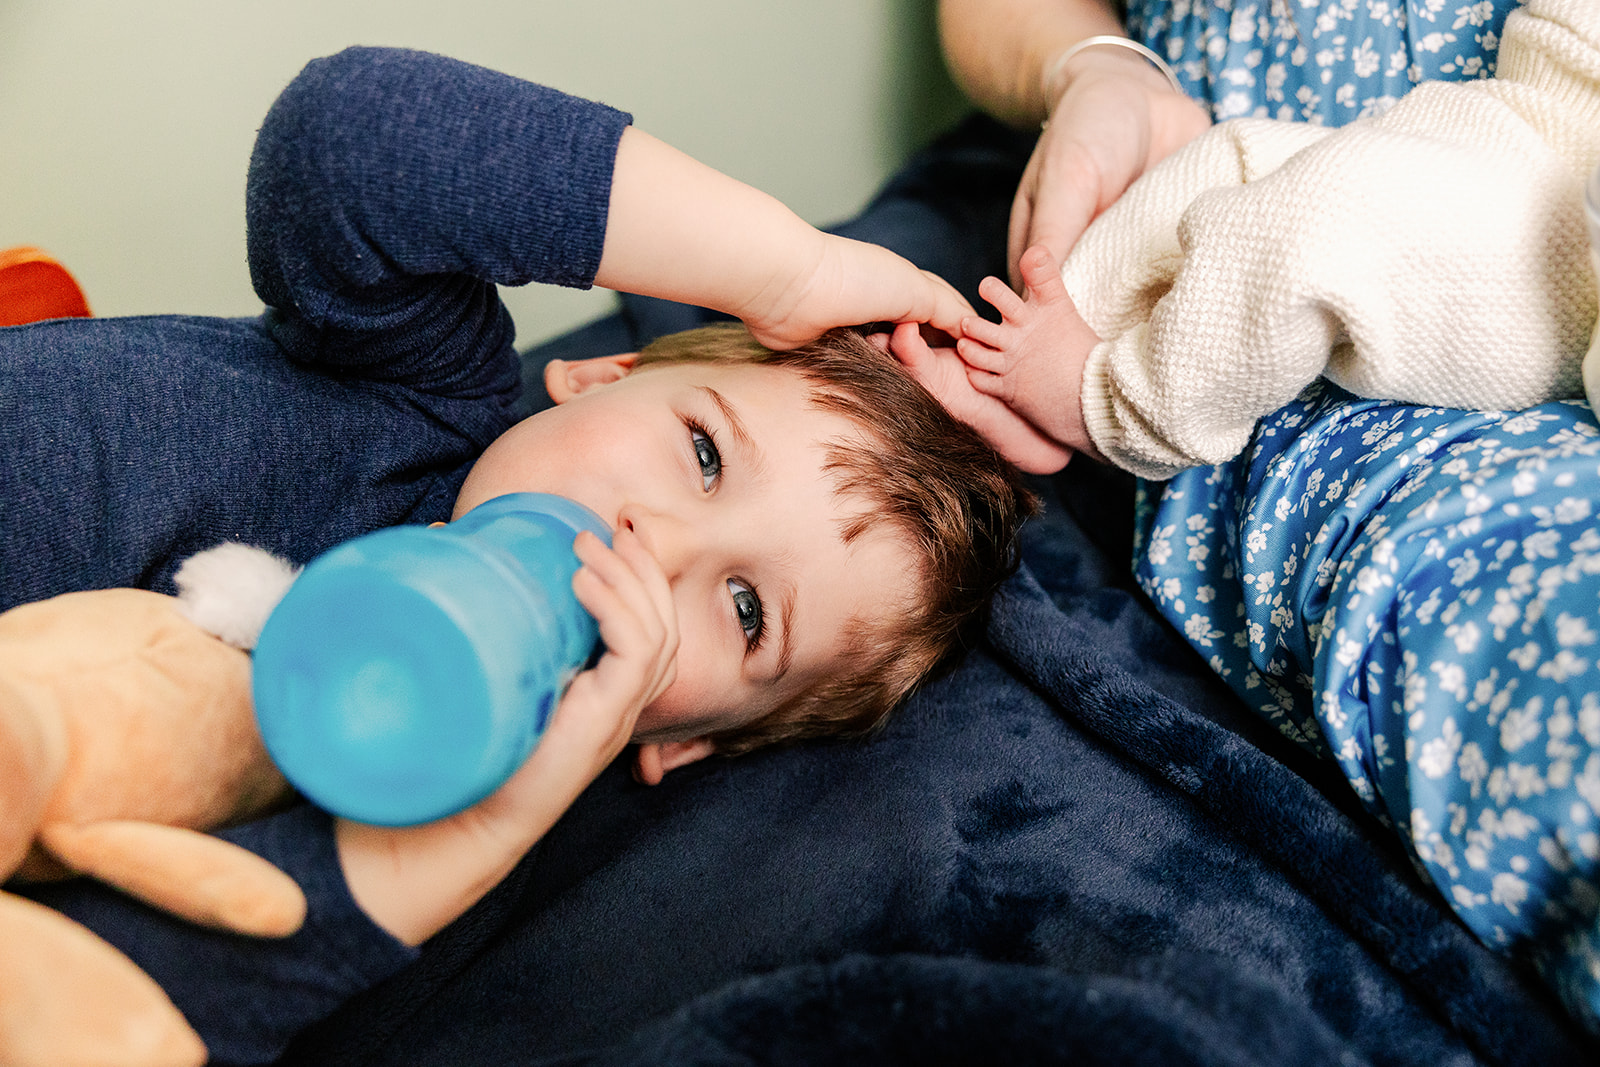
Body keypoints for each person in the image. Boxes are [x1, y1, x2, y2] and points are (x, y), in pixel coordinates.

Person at [4, 45, 1032, 1065]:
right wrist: (788, 265)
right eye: (704, 451)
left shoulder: (458, 832)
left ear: (688, 743)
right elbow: (352, 132)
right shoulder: (417, 391)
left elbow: (126, 1005)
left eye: (746, 608)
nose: (656, 541)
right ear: (598, 375)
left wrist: (453, 849)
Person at [888, 0, 1600, 1037]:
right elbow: (1248, 191)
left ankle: (1102, 385)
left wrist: (1109, 389)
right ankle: (1091, 372)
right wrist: (1098, 71)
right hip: (1285, 309)